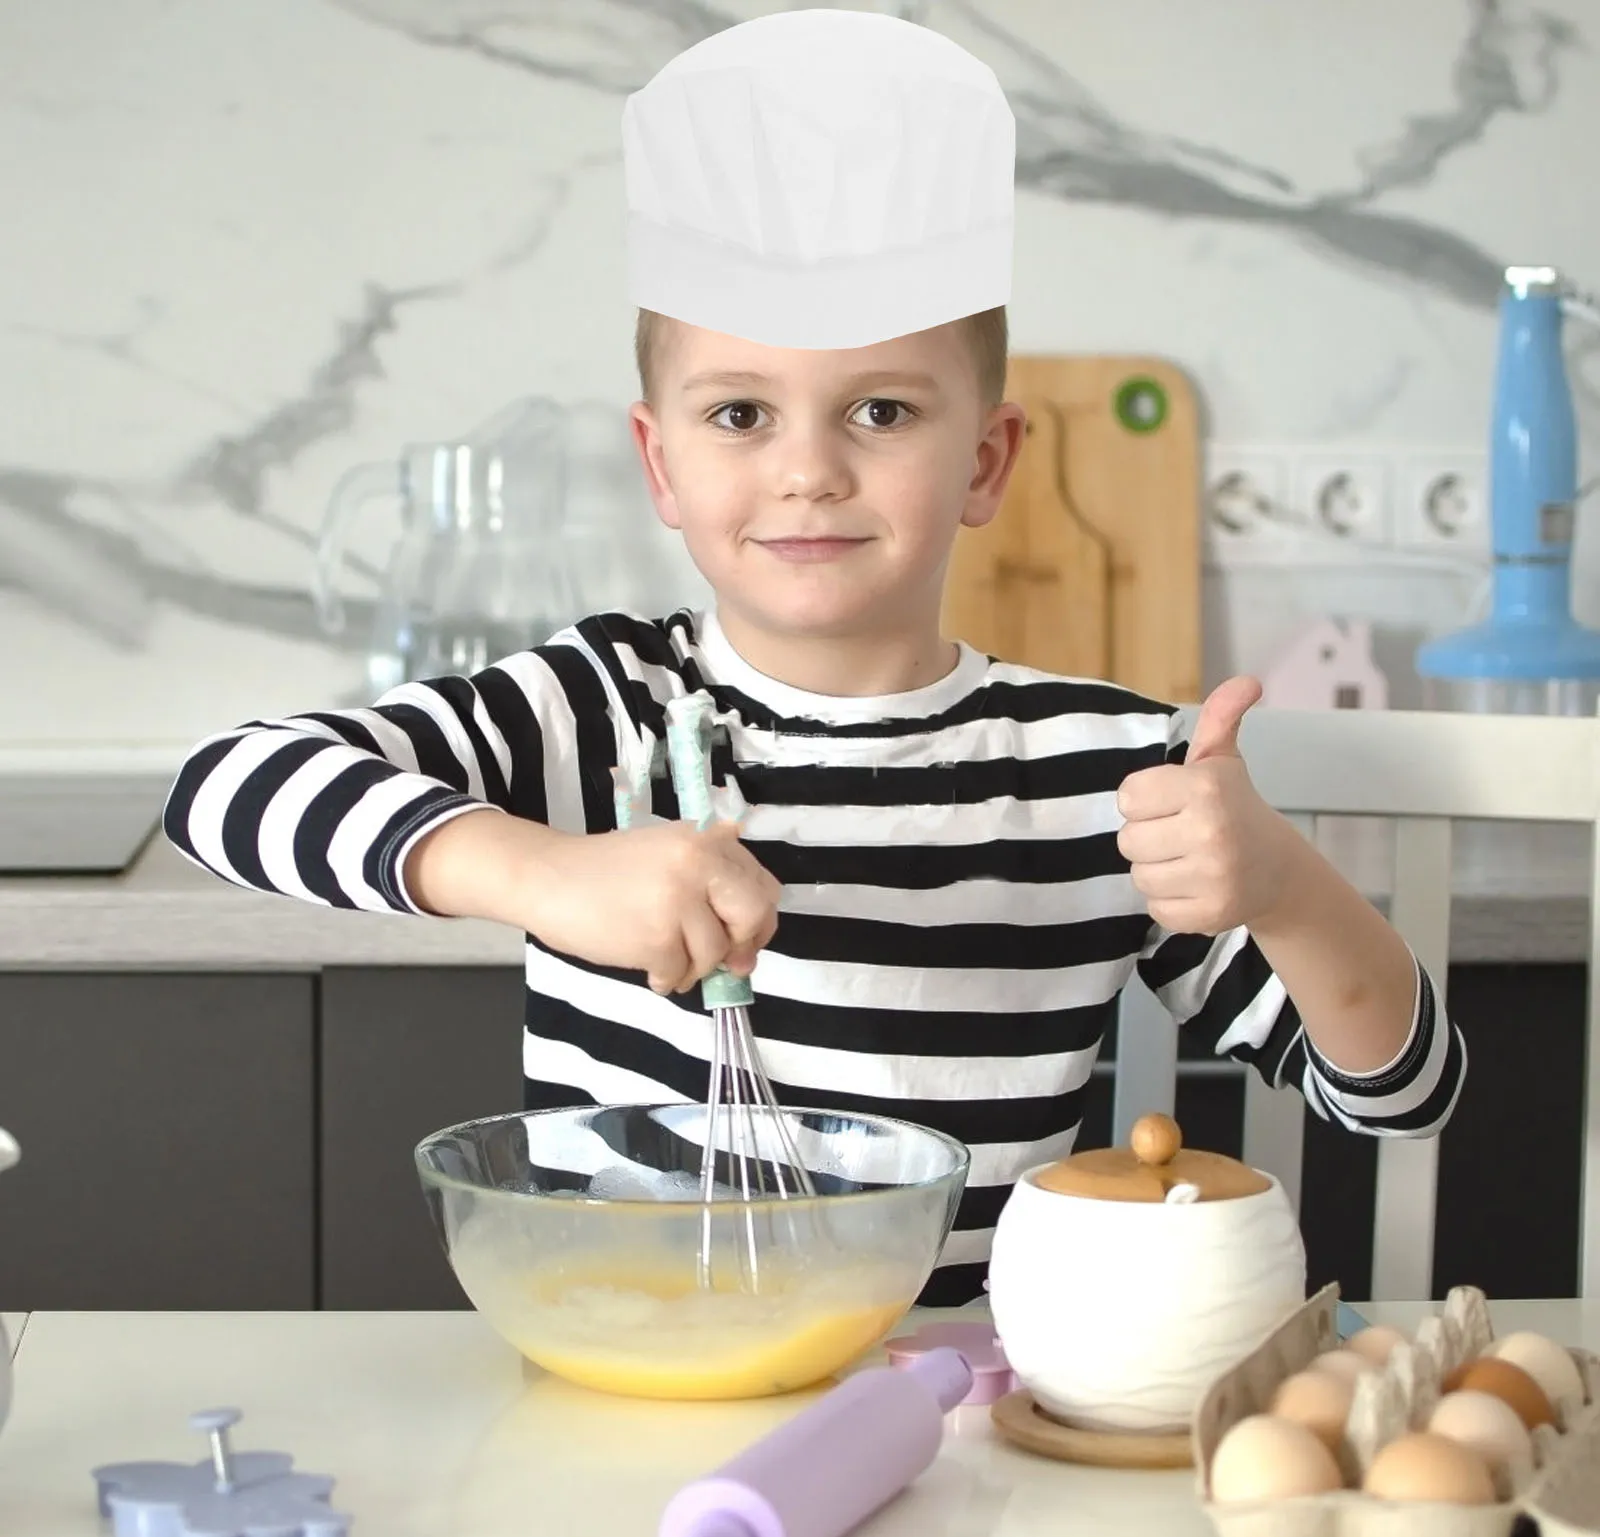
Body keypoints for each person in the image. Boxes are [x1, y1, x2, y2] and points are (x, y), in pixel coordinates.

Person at [162, 10, 1464, 1305]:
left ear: (988, 460)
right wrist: (540, 873)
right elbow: (226, 786)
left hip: (957, 1427)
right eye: (740, 413)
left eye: (881, 410)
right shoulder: (602, 707)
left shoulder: (1109, 774)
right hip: (636, 1390)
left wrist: (1287, 885)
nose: (808, 469)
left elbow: (1401, 1093)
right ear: (662, 464)